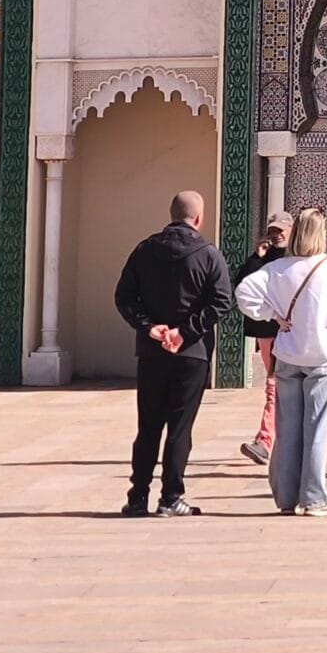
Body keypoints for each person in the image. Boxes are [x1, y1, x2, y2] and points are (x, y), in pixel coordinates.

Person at [235, 206, 327, 517]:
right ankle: (315, 497)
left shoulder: (276, 270)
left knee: (287, 425)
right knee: (317, 427)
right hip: (323, 355)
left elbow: (244, 293)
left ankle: (285, 495)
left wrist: (273, 315)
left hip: (288, 355)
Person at [113, 188, 235, 517]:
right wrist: (186, 332)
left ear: (171, 216)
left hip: (152, 353)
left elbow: (124, 296)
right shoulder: (209, 254)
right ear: (198, 218)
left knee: (148, 426)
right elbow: (222, 301)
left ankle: (137, 496)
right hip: (191, 354)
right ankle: (171, 497)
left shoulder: (144, 251)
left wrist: (149, 326)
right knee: (180, 427)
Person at [234, 211, 293, 466]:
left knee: (279, 386)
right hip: (269, 332)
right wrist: (255, 258)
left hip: (291, 331)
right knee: (275, 384)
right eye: (273, 231)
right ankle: (267, 440)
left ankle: (269, 441)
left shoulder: (297, 259)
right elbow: (242, 286)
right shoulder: (263, 259)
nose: (276, 235)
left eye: (281, 230)